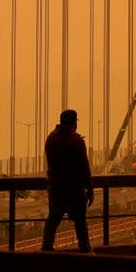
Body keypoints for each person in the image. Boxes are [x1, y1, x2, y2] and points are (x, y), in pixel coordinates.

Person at [41, 108, 94, 252]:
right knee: (80, 220)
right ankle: (84, 249)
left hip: (54, 186)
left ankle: (46, 249)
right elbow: (84, 167)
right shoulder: (76, 141)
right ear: (74, 123)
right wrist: (89, 188)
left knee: (53, 218)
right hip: (73, 187)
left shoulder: (51, 138)